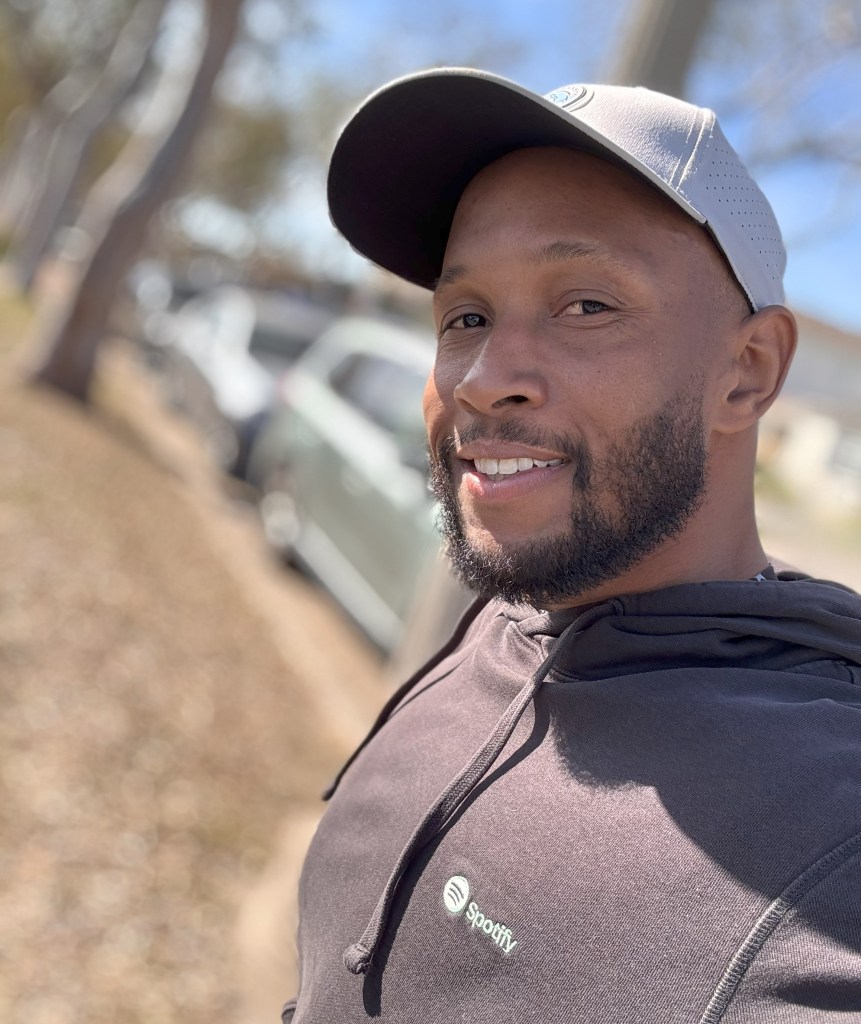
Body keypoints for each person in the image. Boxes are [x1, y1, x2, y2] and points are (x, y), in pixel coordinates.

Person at [282, 68, 861, 1023]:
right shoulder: (514, 615)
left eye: (585, 306)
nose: (482, 379)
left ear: (747, 372)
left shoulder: (824, 840)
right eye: (465, 317)